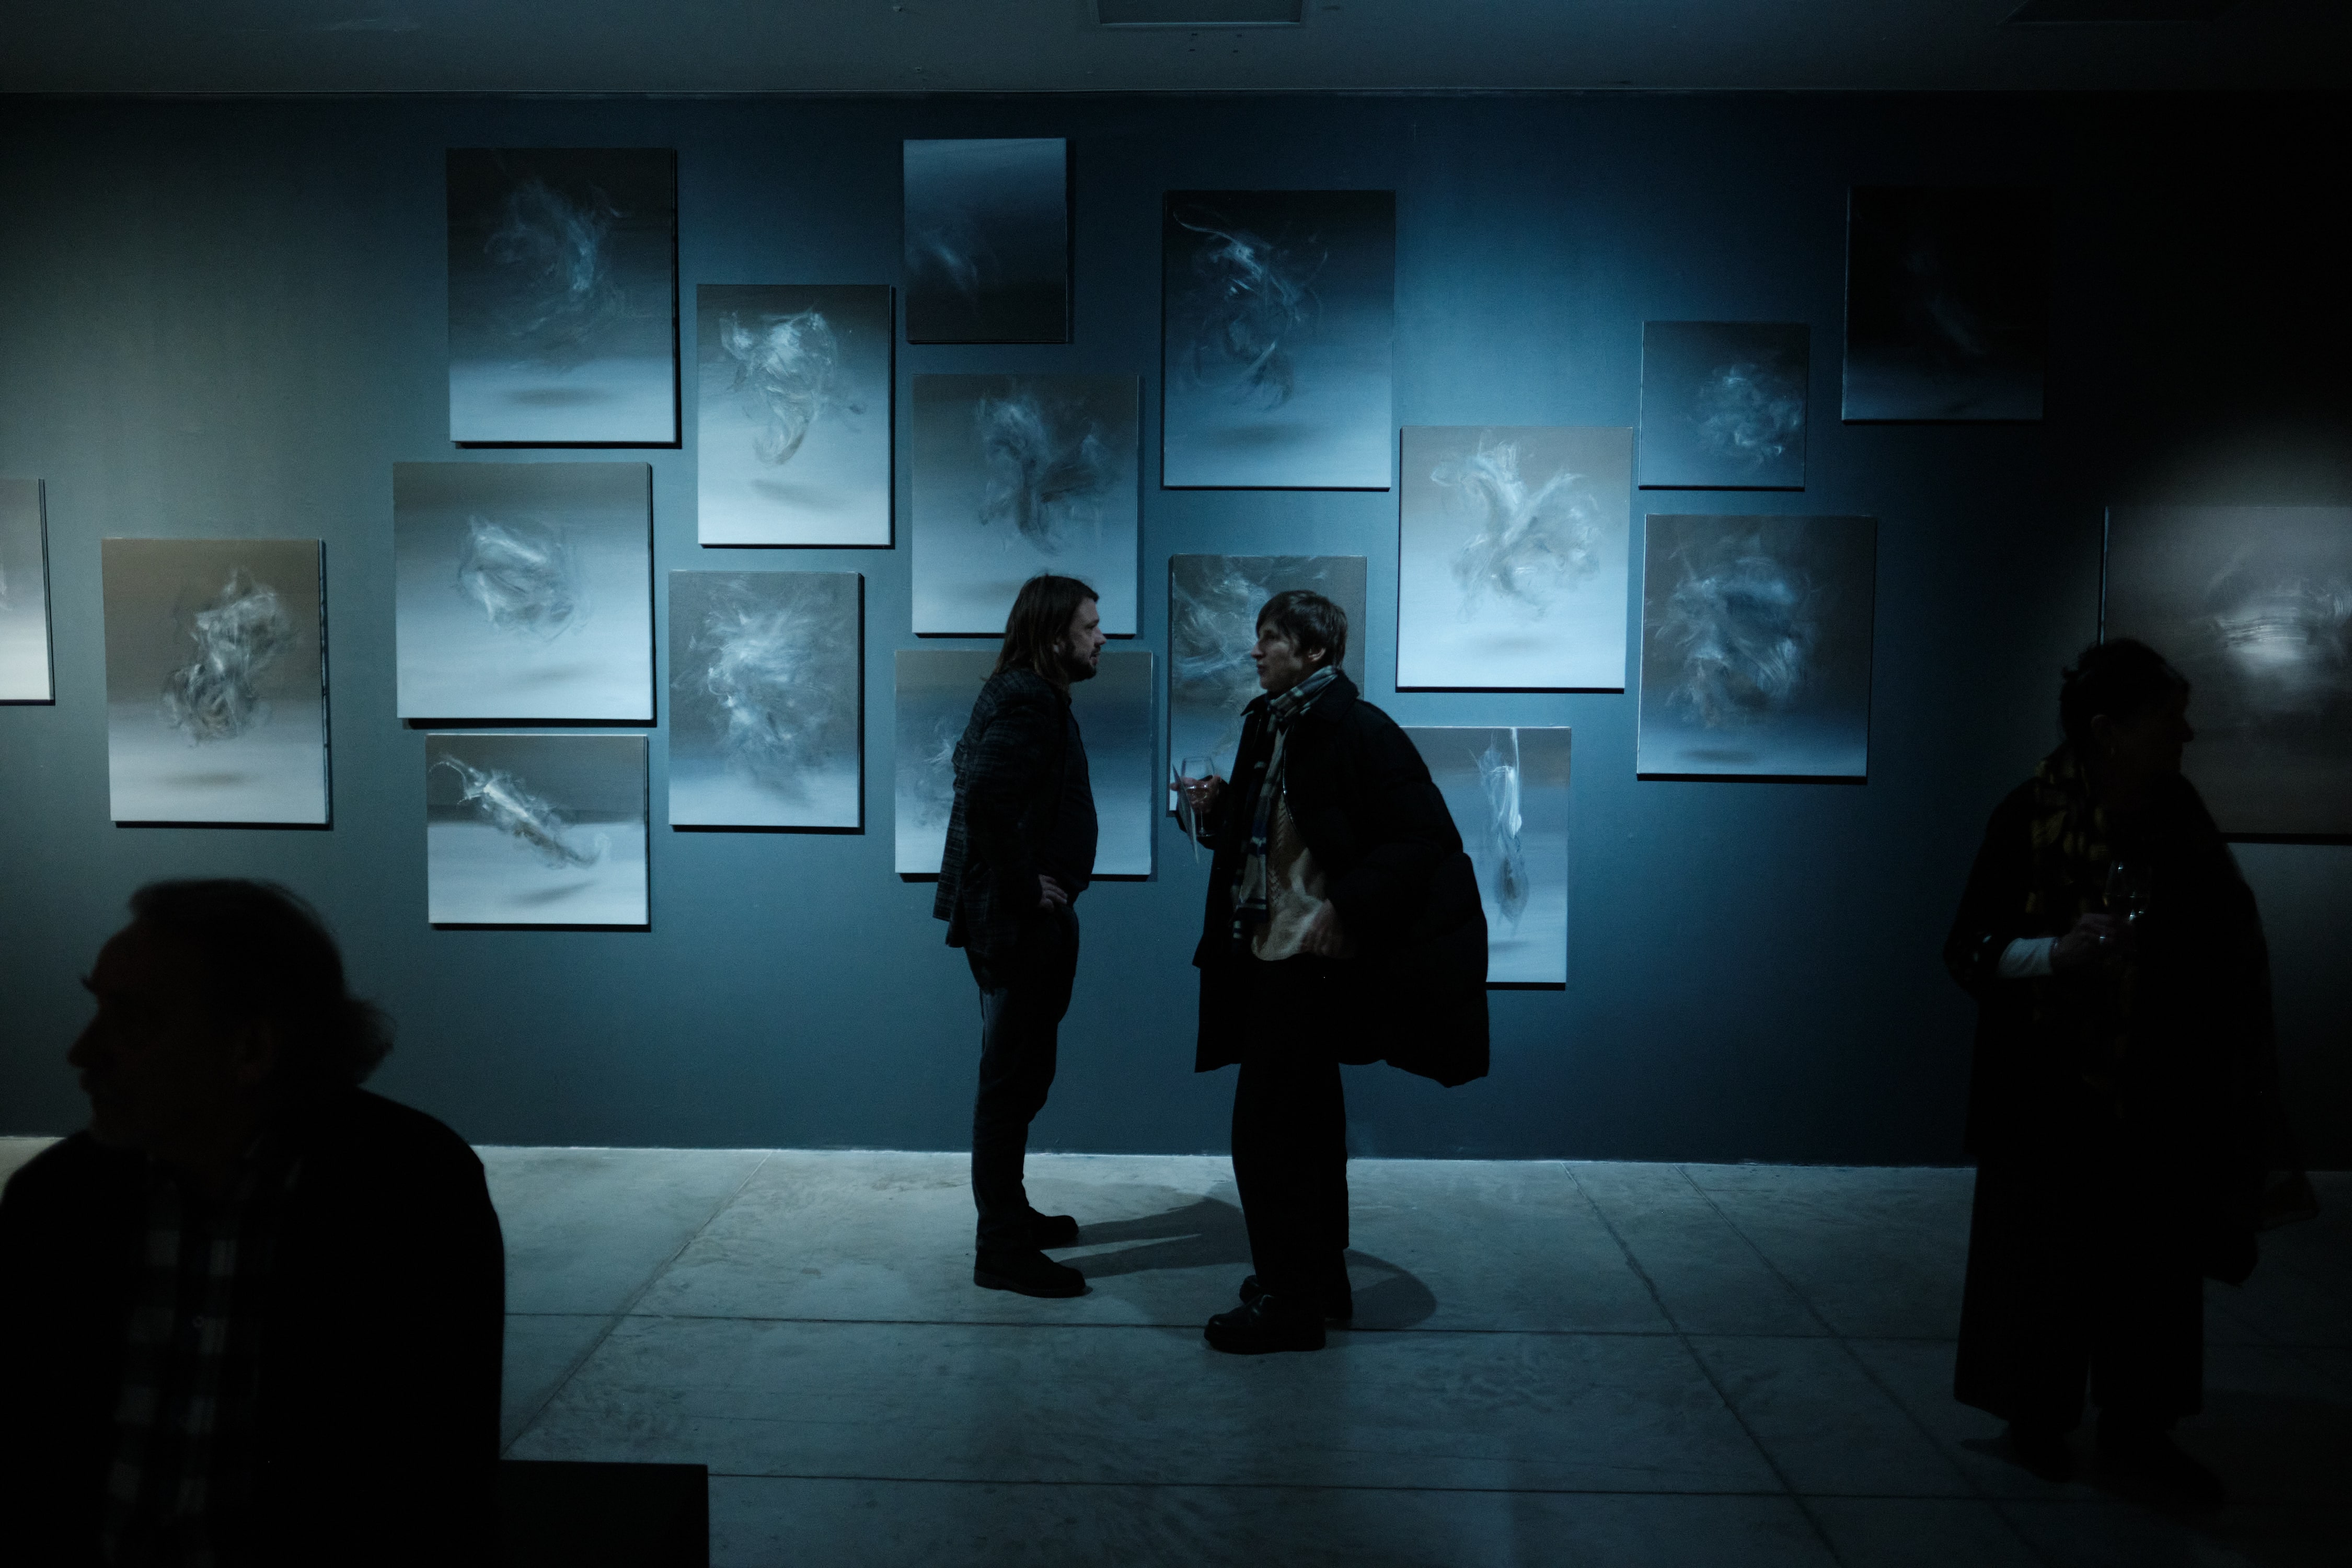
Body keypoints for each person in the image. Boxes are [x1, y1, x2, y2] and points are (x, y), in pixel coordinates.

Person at [0, 879, 505, 1566]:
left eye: (133, 1020)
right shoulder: (57, 1201)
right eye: (99, 1009)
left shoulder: (406, 1194)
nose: (83, 1053)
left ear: (252, 1049)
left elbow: (432, 1481)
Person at [1942, 639, 2278, 1507]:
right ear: (2108, 731)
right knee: (2042, 1258)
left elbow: (2228, 933)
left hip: (2160, 1081)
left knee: (2152, 1262)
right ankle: (2037, 1418)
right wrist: (2056, 954)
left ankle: (2140, 1425)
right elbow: (1968, 949)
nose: (2186, 735)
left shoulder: (2179, 817)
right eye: (2169, 719)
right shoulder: (2030, 816)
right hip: (2049, 1084)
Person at [1179, 591, 1488, 1354]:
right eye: (1258, 637)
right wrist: (1219, 811)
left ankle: (1289, 1304)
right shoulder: (1272, 722)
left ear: (1315, 652)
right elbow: (1280, 835)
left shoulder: (1360, 730)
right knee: (1307, 1128)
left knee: (1269, 1134)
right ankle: (1315, 1281)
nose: (1256, 651)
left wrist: (1348, 906)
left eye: (1271, 639)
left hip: (1306, 962)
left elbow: (1421, 841)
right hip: (1269, 952)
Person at [936, 574, 1108, 1300]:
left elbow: (971, 774)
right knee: (1011, 1084)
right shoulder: (1029, 700)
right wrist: (1023, 885)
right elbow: (983, 795)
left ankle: (1010, 1216)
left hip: (1021, 919)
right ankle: (1001, 1249)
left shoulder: (1027, 694)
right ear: (1053, 634)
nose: (1101, 638)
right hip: (1018, 923)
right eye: (1090, 627)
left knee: (1022, 1076)